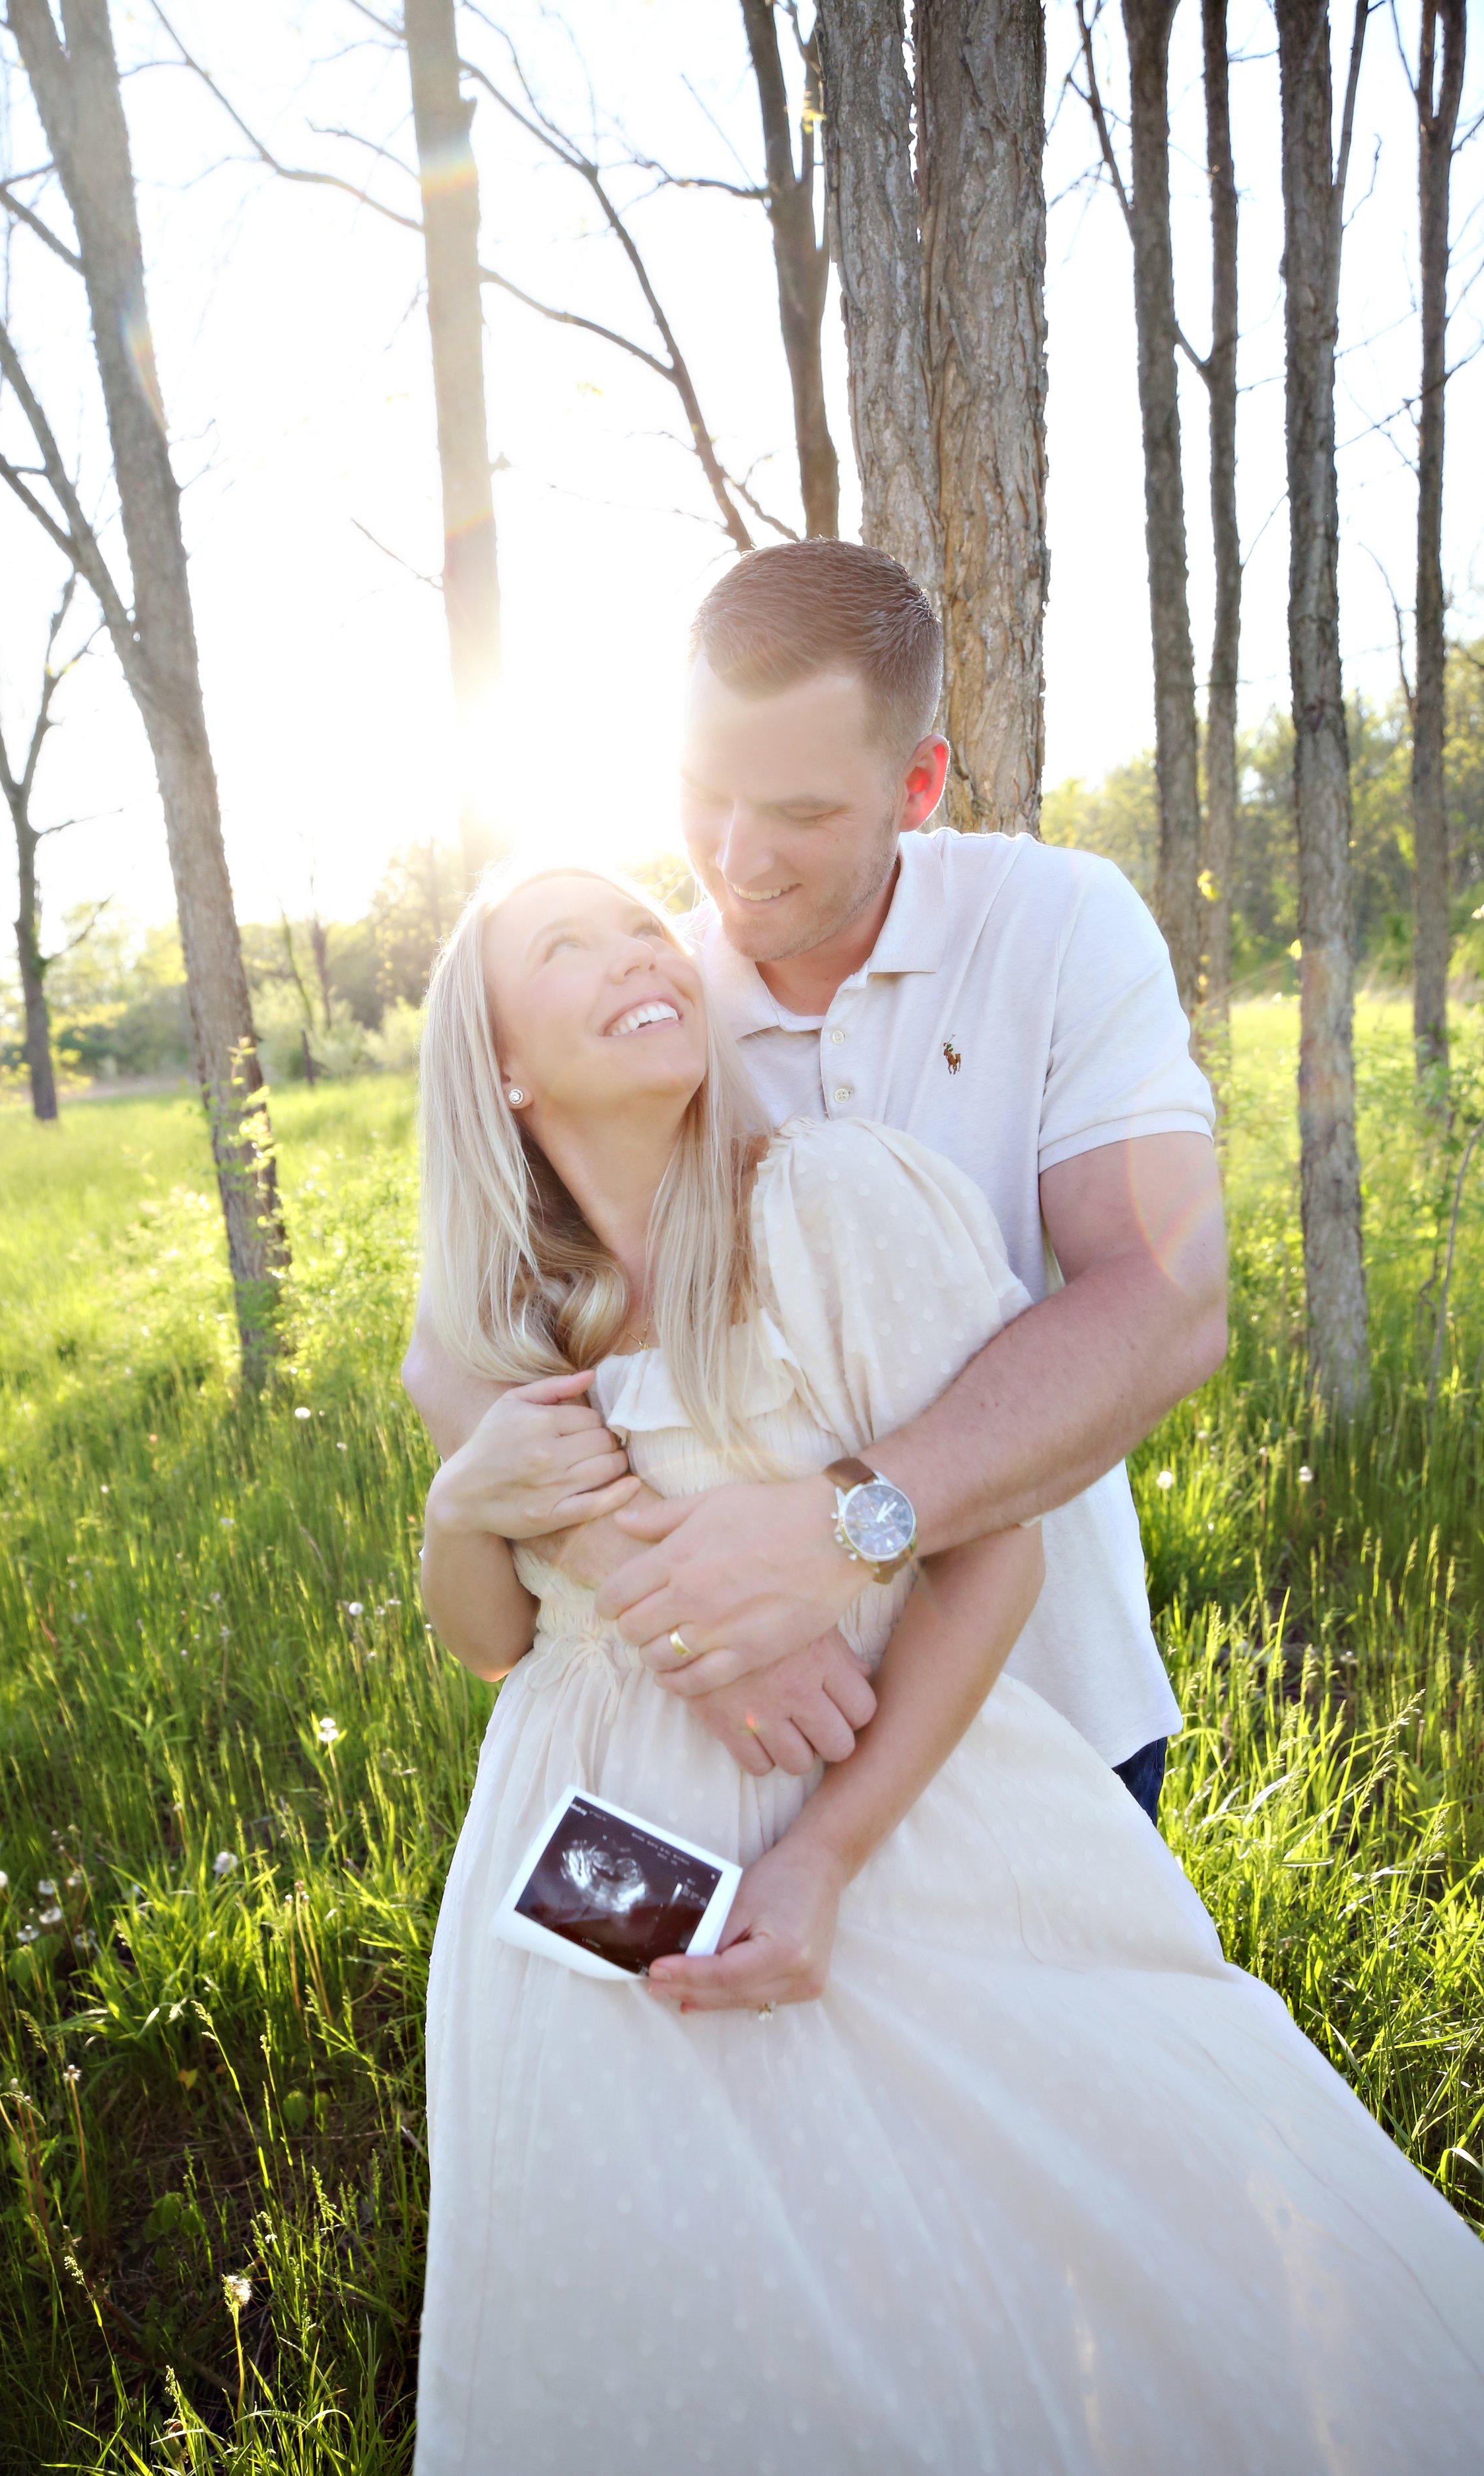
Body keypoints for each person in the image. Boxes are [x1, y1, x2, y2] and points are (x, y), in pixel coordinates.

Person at [408, 862, 1484, 2475]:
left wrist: (827, 1852)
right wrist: (455, 1505)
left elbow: (995, 1545)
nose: (639, 945)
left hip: (879, 1817)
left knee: (1070, 2236)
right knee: (698, 2292)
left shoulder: (832, 1202)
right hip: (580, 1874)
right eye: (565, 945)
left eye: (642, 920)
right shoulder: (485, 1322)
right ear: (498, 1064)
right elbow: (499, 1648)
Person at [406, 540, 1225, 1818]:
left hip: (1043, 1706)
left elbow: (1165, 1301)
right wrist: (678, 1610)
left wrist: (843, 1528)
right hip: (748, 1756)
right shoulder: (646, 1010)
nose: (735, 860)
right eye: (703, 795)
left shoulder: (1057, 925)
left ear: (918, 784)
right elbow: (451, 1352)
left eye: (799, 813)